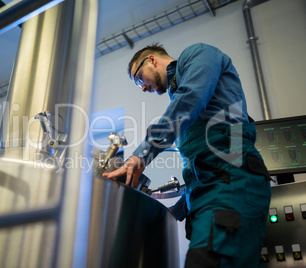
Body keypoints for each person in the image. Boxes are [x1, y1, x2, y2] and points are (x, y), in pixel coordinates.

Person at [103, 43, 271, 267]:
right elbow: (202, 171)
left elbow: (190, 100)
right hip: (215, 194)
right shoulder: (185, 109)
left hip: (232, 186)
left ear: (152, 60)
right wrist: (172, 211)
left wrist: (142, 154)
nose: (142, 88)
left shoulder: (198, 54)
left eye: (138, 78)